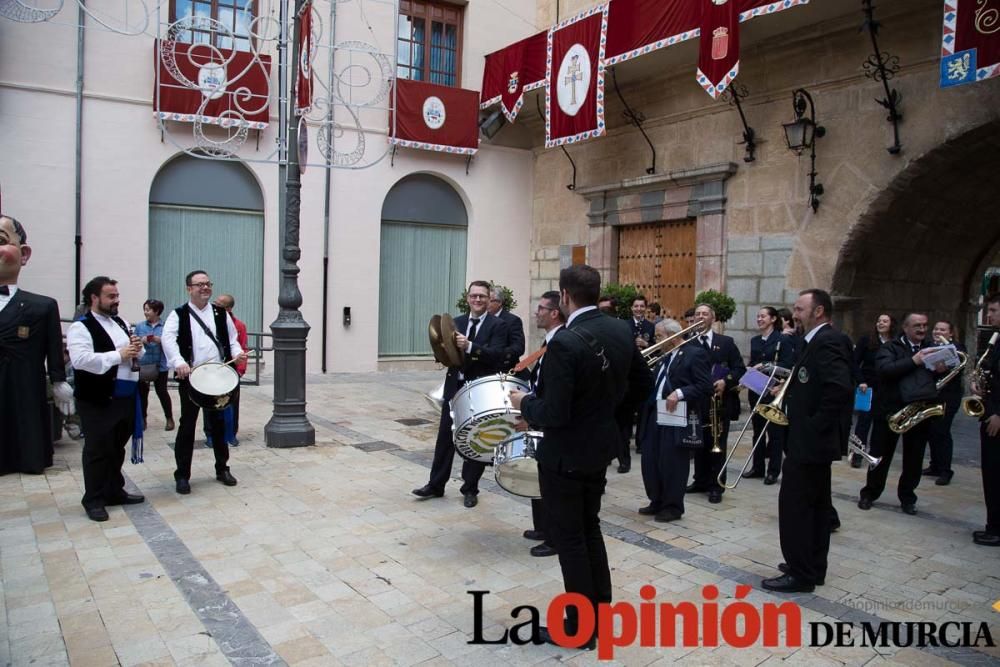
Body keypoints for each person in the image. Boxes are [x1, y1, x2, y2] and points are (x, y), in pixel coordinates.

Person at [510, 264, 651, 650]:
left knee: (571, 539)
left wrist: (526, 403)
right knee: (589, 530)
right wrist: (608, 419)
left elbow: (553, 412)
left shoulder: (565, 342)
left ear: (566, 297)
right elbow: (643, 385)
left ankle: (578, 628)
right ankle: (599, 617)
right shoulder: (621, 329)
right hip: (598, 450)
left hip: (565, 455)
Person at [761, 289, 853, 593]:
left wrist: (812, 429)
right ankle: (811, 566)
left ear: (818, 311)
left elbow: (838, 389)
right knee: (814, 507)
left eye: (800, 309)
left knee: (797, 507)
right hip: (808, 439)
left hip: (811, 441)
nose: (794, 314)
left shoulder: (828, 341)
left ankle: (801, 573)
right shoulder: (814, 341)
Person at [412, 280, 510, 507]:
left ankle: (470, 488)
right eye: (474, 296)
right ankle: (435, 485)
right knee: (445, 438)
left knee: (474, 439)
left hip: (479, 391)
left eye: (482, 297)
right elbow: (448, 354)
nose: (477, 300)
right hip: (454, 389)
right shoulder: (456, 322)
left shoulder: (498, 326)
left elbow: (497, 355)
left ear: (488, 299)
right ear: (467, 298)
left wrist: (470, 346)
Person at [67, 276, 146, 522]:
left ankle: (113, 490)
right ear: (94, 298)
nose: (116, 301)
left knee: (116, 448)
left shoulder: (120, 322)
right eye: (111, 296)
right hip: (98, 398)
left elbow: (134, 354)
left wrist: (137, 348)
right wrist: (118, 354)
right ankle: (93, 498)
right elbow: (81, 361)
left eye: (117, 296)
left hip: (125, 396)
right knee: (97, 450)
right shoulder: (81, 327)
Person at [162, 270, 247, 495]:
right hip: (191, 377)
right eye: (199, 284)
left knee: (219, 425)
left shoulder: (221, 313)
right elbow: (168, 340)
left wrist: (237, 353)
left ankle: (222, 468)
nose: (205, 288)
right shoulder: (178, 314)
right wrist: (178, 362)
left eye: (208, 284)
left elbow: (232, 340)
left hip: (218, 376)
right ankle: (182, 475)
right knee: (187, 425)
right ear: (189, 288)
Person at [0, 214, 73, 475]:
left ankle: (27, 457)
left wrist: (58, 380)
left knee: (25, 420)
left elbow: (53, 347)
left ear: (24, 253)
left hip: (25, 382)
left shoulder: (42, 306)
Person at [858, 312, 947, 516]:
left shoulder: (930, 348)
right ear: (905, 328)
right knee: (880, 455)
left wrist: (941, 369)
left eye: (925, 325)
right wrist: (914, 360)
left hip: (919, 409)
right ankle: (870, 493)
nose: (922, 330)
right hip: (890, 409)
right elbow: (885, 370)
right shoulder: (890, 347)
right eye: (917, 326)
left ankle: (907, 497)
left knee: (914, 458)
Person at [638, 322, 712, 522]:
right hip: (655, 414)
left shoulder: (693, 354)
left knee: (672, 462)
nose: (657, 341)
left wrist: (680, 393)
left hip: (675, 415)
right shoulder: (664, 357)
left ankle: (673, 506)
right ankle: (657, 499)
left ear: (672, 335)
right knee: (651, 460)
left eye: (660, 336)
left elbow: (705, 386)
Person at [515, 290, 564, 558]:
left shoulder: (560, 344)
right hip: (538, 417)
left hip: (548, 423)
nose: (537, 312)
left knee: (550, 484)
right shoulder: (550, 342)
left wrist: (532, 417)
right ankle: (542, 528)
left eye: (541, 308)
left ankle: (554, 538)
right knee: (539, 478)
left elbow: (553, 396)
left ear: (554, 312)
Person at [688, 303, 746, 504]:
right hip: (697, 402)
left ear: (713, 319)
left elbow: (739, 368)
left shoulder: (726, 342)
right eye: (697, 314)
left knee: (717, 445)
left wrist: (726, 381)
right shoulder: (687, 342)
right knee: (698, 444)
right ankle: (700, 481)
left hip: (719, 403)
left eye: (705, 314)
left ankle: (716, 485)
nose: (700, 317)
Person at [743, 307, 795, 484]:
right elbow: (752, 362)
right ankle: (757, 467)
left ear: (773, 319)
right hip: (757, 389)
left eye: (763, 316)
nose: (759, 319)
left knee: (775, 433)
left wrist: (764, 365)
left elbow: (788, 364)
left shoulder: (783, 339)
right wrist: (749, 370)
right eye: (757, 316)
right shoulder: (755, 340)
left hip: (774, 390)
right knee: (757, 431)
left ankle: (773, 470)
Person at [972, 293, 1000, 547]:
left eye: (992, 310)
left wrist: (997, 414)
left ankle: (996, 528)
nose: (988, 315)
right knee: (990, 474)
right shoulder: (996, 340)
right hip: (989, 412)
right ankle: (993, 524)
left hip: (996, 418)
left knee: (995, 474)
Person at [923, 320, 964, 486]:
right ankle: (935, 465)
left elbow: (958, 366)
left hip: (949, 395)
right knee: (931, 431)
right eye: (936, 329)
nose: (937, 332)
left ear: (951, 333)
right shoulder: (929, 345)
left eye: (942, 329)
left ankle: (946, 470)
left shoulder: (959, 349)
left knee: (942, 431)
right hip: (932, 394)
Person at [851, 314, 895, 467]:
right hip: (867, 387)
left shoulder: (894, 342)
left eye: (885, 321)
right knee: (863, 422)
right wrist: (861, 380)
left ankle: (875, 454)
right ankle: (857, 454)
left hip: (886, 389)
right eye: (879, 320)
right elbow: (855, 362)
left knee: (880, 423)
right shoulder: (866, 340)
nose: (880, 323)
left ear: (891, 324)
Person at [204, 293, 247, 447]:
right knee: (209, 402)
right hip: (213, 369)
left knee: (232, 402)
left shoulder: (239, 325)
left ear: (228, 308)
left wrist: (240, 369)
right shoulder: (209, 321)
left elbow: (242, 346)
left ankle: (231, 433)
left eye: (220, 304)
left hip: (231, 369)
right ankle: (209, 434)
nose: (215, 305)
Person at [135, 299, 174, 432]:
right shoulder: (140, 326)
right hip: (144, 364)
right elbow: (134, 341)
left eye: (148, 309)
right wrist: (142, 340)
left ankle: (169, 418)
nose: (146, 312)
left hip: (161, 365)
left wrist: (160, 340)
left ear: (157, 311)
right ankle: (143, 419)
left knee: (162, 392)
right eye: (145, 309)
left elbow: (172, 344)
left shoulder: (165, 326)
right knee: (142, 393)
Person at [487, 286, 525, 371]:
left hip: (503, 371)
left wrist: (497, 353)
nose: (486, 303)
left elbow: (518, 347)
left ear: (500, 302)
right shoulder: (481, 319)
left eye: (490, 300)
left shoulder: (513, 320)